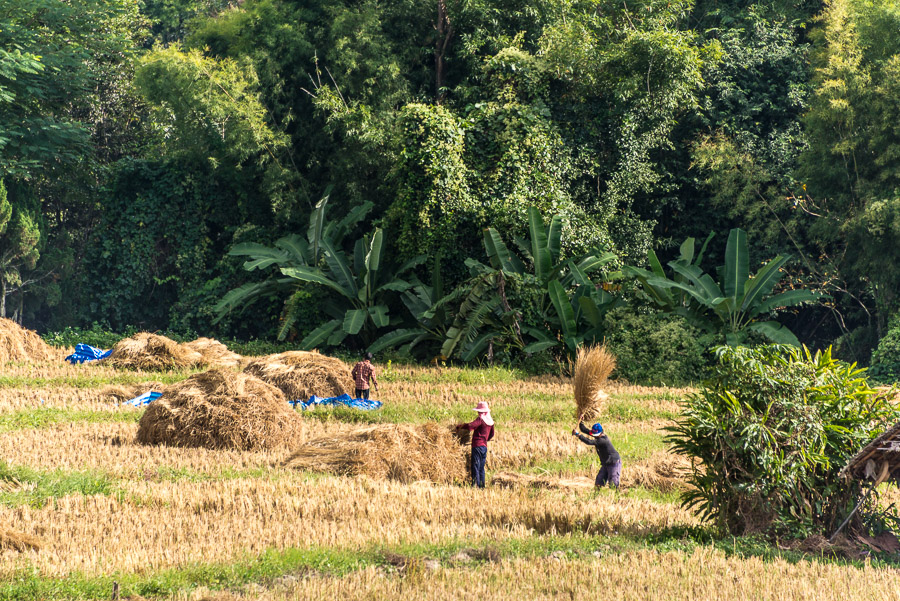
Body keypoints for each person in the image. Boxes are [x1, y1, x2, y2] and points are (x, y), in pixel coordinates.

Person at [456, 401, 495, 488]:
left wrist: (461, 426)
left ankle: (475, 486)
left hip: (477, 446)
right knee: (481, 467)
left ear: (482, 412)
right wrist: (485, 439)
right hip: (484, 447)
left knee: (475, 466)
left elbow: (470, 426)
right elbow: (492, 434)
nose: (478, 413)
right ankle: (482, 486)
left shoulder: (481, 419)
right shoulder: (490, 422)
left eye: (479, 411)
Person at [572, 422, 621, 488]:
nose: (594, 436)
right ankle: (597, 496)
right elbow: (584, 430)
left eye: (595, 434)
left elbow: (589, 442)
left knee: (613, 484)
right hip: (606, 463)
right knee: (598, 483)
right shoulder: (597, 435)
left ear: (601, 433)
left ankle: (615, 496)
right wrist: (581, 422)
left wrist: (578, 435)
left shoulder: (602, 440)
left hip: (613, 462)